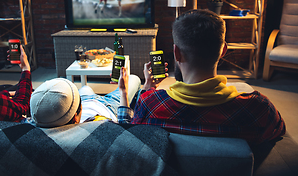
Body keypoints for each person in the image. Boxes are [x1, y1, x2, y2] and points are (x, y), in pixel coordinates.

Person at [117, 9, 286, 145]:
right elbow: (278, 132)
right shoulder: (259, 108)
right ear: (223, 51)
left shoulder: (150, 103)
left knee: (132, 82)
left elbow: (130, 133)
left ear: (176, 53)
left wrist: (147, 88)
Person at [27, 74, 141, 127]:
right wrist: (123, 92)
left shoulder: (43, 118)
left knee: (86, 88)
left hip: (86, 99)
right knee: (134, 78)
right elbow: (124, 126)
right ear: (76, 117)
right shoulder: (103, 126)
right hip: (110, 106)